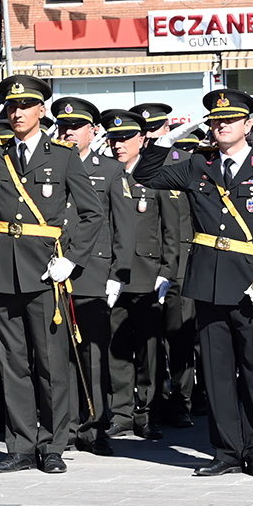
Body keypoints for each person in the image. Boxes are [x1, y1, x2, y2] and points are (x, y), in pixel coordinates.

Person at [0, 76, 101, 474]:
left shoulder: (61, 156)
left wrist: (73, 259)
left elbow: (92, 212)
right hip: (5, 273)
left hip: (46, 272)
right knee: (14, 365)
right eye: (11, 106)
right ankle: (21, 446)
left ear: (41, 110)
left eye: (26, 105)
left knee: (50, 365)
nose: (17, 112)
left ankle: (54, 445)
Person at [134, 90, 253, 477]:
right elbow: (144, 174)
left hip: (251, 283)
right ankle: (225, 449)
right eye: (215, 121)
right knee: (218, 370)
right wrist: (165, 140)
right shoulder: (196, 165)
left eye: (230, 120)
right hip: (208, 281)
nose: (221, 126)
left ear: (247, 124)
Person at [52, 97, 132, 455]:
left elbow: (124, 226)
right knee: (60, 353)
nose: (67, 132)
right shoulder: (51, 163)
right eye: (63, 127)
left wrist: (118, 273)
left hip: (93, 273)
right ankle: (65, 426)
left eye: (75, 127)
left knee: (93, 355)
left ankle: (95, 426)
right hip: (56, 269)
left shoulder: (110, 170)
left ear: (93, 131)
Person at [103, 109, 179, 446]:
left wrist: (167, 271)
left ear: (142, 140)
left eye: (125, 139)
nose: (118, 145)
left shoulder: (156, 174)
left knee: (149, 349)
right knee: (117, 347)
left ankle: (146, 412)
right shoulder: (106, 175)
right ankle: (121, 413)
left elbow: (171, 229)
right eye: (114, 139)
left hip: (148, 274)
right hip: (115, 275)